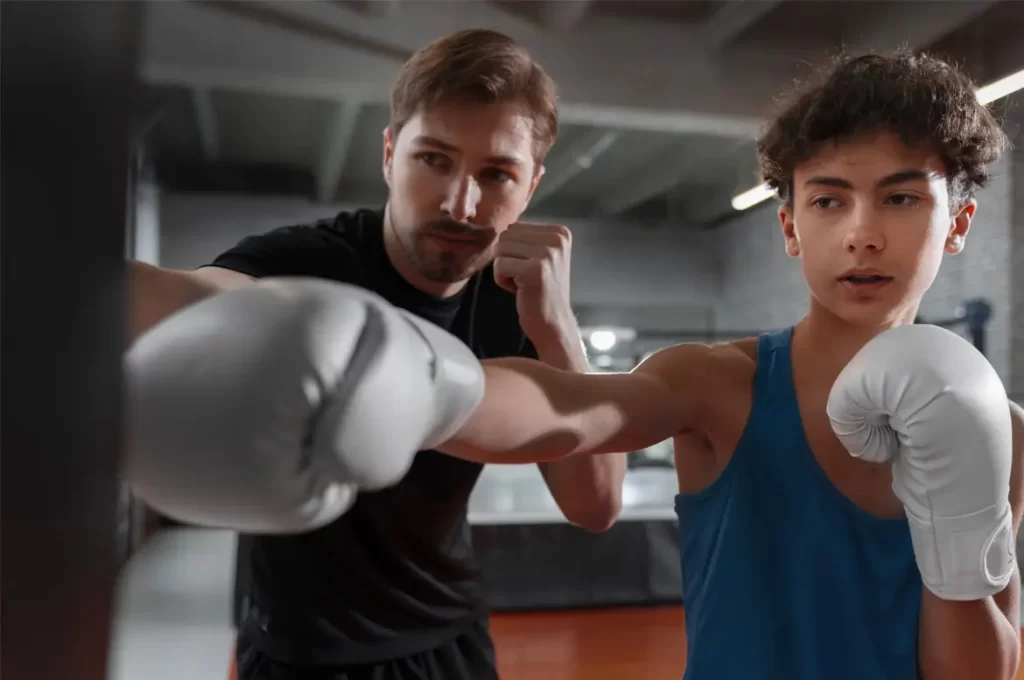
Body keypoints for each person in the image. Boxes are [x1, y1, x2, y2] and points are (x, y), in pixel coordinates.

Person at [434, 52, 1024, 679]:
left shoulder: (1004, 433)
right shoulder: (715, 384)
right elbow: (573, 411)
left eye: (901, 197)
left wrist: (958, 558)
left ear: (957, 223)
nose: (862, 234)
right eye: (829, 201)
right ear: (790, 227)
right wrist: (424, 386)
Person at [126, 29, 627, 680]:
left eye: (496, 173)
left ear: (530, 185)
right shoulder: (306, 261)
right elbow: (196, 297)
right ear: (391, 154)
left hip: (451, 641)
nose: (460, 202)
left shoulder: (518, 302)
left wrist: (559, 329)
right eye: (434, 159)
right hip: (298, 650)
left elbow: (595, 506)